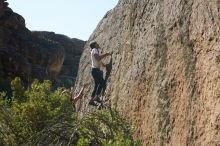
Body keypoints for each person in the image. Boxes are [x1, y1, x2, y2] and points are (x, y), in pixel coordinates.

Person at [89, 41, 111, 106]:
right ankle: (96, 97)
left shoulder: (95, 51)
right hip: (95, 70)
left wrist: (105, 65)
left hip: (95, 70)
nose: (98, 44)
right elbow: (98, 58)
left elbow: (99, 61)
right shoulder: (94, 50)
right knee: (102, 83)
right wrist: (106, 54)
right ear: (95, 45)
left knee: (97, 85)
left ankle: (91, 100)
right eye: (97, 43)